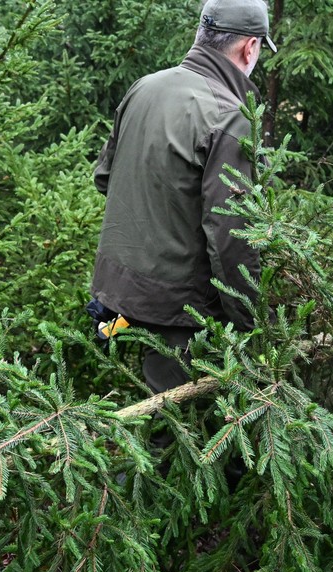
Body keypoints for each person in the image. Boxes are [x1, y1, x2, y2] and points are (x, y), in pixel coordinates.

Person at [89, 0, 275, 396]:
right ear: (250, 47)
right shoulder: (230, 115)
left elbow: (104, 178)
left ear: (201, 34)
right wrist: (254, 324)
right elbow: (230, 237)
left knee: (148, 412)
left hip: (117, 292)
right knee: (174, 434)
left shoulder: (145, 86)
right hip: (179, 311)